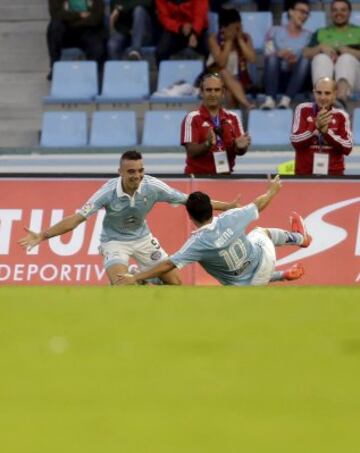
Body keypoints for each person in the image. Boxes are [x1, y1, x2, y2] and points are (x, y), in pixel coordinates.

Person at [18, 150, 242, 285]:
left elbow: (194, 201)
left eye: (140, 170)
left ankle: (142, 276)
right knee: (121, 284)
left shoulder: (152, 186)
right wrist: (42, 236)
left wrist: (227, 206)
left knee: (175, 282)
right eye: (131, 172)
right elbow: (76, 219)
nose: (137, 175)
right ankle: (136, 278)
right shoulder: (107, 192)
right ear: (121, 172)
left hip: (143, 239)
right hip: (114, 242)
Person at [116, 175, 310, 287]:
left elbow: (168, 265)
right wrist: (272, 191)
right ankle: (300, 238)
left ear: (190, 217)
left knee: (233, 273)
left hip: (244, 288)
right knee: (261, 232)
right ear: (212, 208)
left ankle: (283, 274)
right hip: (266, 262)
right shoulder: (232, 217)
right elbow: (258, 205)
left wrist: (135, 276)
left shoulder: (197, 243)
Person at [181, 72, 251, 175]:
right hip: (198, 177)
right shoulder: (192, 118)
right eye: (209, 90)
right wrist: (208, 144)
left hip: (225, 177)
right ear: (201, 92)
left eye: (217, 90)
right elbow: (191, 152)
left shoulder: (233, 117)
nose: (213, 94)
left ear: (223, 93)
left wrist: (241, 147)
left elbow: (239, 151)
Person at [303, 0, 360, 109]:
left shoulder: (358, 31)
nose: (339, 13)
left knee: (346, 58)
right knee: (321, 57)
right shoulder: (321, 32)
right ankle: (323, 100)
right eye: (335, 10)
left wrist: (350, 51)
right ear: (330, 13)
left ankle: (340, 100)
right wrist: (320, 47)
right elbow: (305, 53)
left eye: (343, 10)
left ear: (349, 13)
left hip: (355, 79)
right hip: (329, 75)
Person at [290, 77, 353, 175]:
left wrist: (326, 133)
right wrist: (315, 126)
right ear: (314, 92)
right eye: (319, 93)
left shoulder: (342, 116)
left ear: (334, 94)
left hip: (334, 176)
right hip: (305, 175)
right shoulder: (302, 109)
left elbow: (347, 148)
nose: (322, 97)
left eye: (327, 93)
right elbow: (295, 141)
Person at [260, 0, 311, 110]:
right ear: (291, 12)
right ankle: (270, 100)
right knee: (273, 57)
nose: (304, 16)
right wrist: (279, 54)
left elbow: (307, 58)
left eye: (307, 13)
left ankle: (286, 100)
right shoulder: (274, 31)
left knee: (305, 59)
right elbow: (267, 53)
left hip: (298, 79)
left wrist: (294, 61)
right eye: (301, 11)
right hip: (276, 76)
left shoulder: (309, 36)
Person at [206, 8, 256, 110]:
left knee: (230, 94)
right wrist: (228, 42)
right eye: (233, 28)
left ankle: (232, 123)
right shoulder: (214, 38)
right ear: (224, 28)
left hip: (240, 79)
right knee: (223, 72)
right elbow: (221, 63)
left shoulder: (246, 37)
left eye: (238, 26)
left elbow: (252, 59)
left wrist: (240, 39)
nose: (236, 30)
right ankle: (246, 104)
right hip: (217, 78)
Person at [47, 0, 106, 80]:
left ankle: (93, 76)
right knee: (54, 28)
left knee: (97, 46)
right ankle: (54, 67)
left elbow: (97, 16)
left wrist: (73, 21)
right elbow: (56, 14)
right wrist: (79, 15)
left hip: (87, 29)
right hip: (67, 32)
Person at [155, 0, 209, 65]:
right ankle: (165, 74)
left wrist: (194, 33)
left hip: (197, 29)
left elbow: (200, 16)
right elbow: (164, 18)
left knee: (210, 50)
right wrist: (180, 27)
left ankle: (209, 74)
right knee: (161, 51)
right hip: (174, 30)